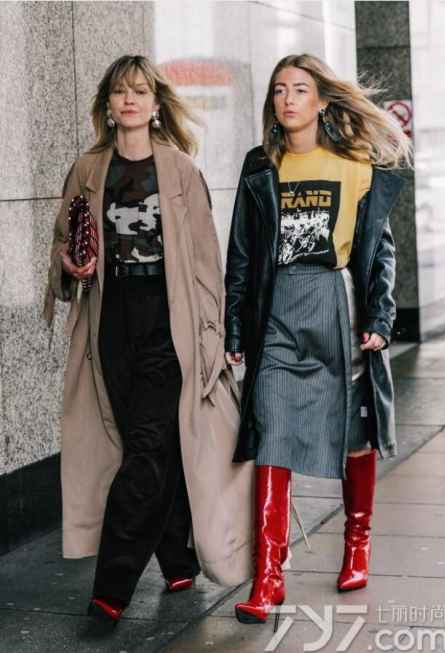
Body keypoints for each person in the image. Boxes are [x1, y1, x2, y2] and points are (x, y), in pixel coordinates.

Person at [44, 54, 252, 625]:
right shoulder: (88, 169)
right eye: (120, 91)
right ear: (108, 105)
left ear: (157, 104)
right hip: (111, 323)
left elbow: (206, 261)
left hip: (170, 322)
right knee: (141, 443)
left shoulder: (180, 170)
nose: (130, 100)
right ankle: (178, 558)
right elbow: (63, 248)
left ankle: (110, 590)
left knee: (146, 446)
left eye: (140, 91)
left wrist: (214, 336)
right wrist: (69, 265)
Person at [225, 53, 411, 627]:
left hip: (335, 300)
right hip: (277, 307)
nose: (288, 99)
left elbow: (379, 251)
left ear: (322, 100)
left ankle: (358, 544)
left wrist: (380, 317)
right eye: (279, 89)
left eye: (300, 89)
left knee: (353, 431)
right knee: (271, 431)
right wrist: (235, 327)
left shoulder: (353, 164)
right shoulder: (261, 166)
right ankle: (268, 575)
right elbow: (241, 254)